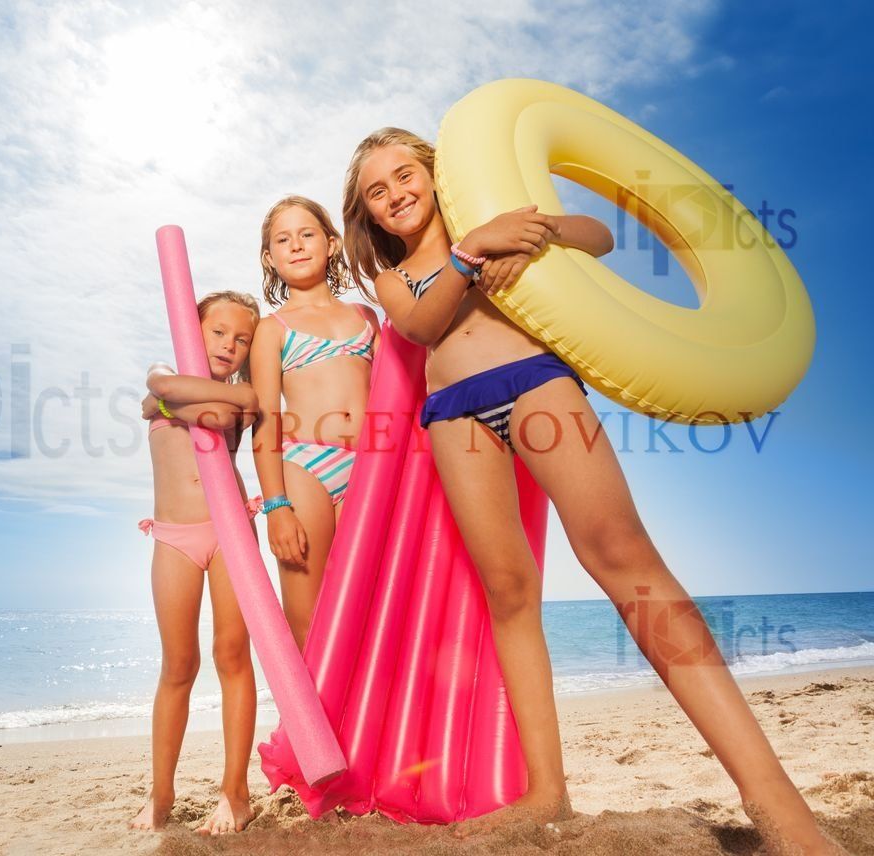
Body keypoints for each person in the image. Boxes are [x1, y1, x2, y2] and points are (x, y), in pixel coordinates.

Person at [340, 127, 843, 854]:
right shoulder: (398, 275)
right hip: (453, 415)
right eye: (375, 192)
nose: (394, 195)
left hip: (535, 382)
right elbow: (420, 324)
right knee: (507, 591)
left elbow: (599, 234)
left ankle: (777, 802)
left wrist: (528, 233)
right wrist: (471, 249)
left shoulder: (496, 213)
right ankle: (549, 790)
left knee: (622, 555)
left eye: (403, 174)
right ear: (368, 215)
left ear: (433, 169)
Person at [130, 291, 261, 835]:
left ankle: (236, 792)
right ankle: (161, 794)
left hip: (231, 533)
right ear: (193, 328)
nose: (229, 344)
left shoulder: (244, 396)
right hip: (175, 538)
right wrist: (176, 401)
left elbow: (230, 405)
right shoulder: (164, 372)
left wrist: (175, 405)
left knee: (232, 655)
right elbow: (161, 387)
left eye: (242, 338)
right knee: (178, 665)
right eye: (218, 332)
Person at [249, 196, 380, 650]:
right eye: (283, 240)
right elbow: (264, 420)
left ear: (330, 243)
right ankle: (309, 724)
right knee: (308, 621)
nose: (297, 246)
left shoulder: (366, 318)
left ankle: (361, 721)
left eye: (307, 234)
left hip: (368, 465)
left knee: (366, 611)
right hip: (306, 467)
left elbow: (392, 401)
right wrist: (276, 506)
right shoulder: (273, 328)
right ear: (270, 257)